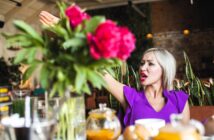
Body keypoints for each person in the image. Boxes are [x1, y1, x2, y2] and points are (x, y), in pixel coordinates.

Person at [39, 11, 190, 127]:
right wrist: (66, 31)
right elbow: (98, 69)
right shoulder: (131, 97)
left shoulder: (179, 99)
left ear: (164, 69)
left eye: (150, 64)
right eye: (142, 63)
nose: (143, 68)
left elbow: (187, 135)